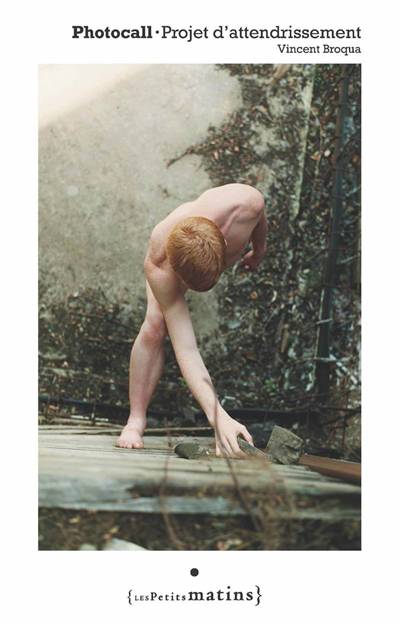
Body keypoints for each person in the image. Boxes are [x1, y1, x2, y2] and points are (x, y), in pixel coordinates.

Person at [117, 183, 268, 457]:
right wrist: (217, 416)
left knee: (160, 323)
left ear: (224, 244)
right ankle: (135, 420)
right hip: (168, 261)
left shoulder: (247, 202)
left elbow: (259, 219)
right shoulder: (161, 265)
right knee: (155, 326)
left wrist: (258, 251)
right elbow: (186, 349)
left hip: (202, 245)